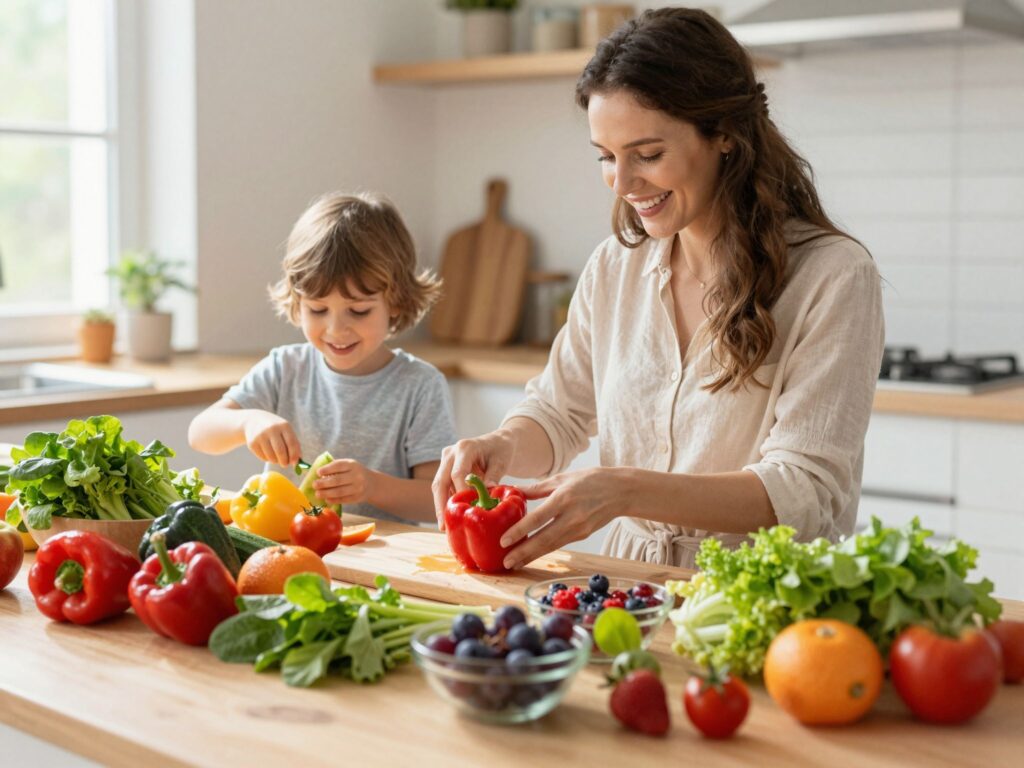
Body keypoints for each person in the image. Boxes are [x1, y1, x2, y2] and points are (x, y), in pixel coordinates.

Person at [432, 8, 885, 570]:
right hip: (629, 585)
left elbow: (804, 490)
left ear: (723, 134)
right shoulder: (614, 268)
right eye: (606, 157)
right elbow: (560, 411)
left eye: (647, 155)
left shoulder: (833, 276)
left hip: (757, 598)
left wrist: (624, 489)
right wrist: (502, 446)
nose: (622, 184)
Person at [189, 191, 456, 523]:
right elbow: (200, 433)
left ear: (396, 301)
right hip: (288, 547)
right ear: (298, 303)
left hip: (380, 558)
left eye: (358, 311)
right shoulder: (285, 368)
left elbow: (437, 499)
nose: (336, 330)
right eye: (317, 309)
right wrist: (248, 422)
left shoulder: (420, 385)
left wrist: (372, 486)